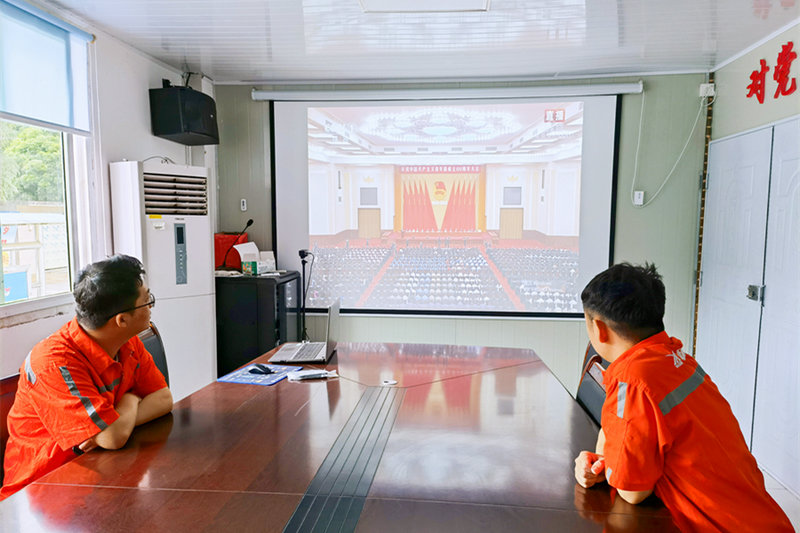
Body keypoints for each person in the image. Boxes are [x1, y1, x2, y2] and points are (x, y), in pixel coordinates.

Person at [573, 263, 792, 532]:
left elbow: (632, 491)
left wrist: (607, 467)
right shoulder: (676, 358)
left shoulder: (631, 380)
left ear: (599, 328)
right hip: (763, 520)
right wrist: (605, 461)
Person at [1, 255, 173, 500]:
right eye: (147, 301)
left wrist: (119, 418)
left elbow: (163, 399)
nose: (151, 307)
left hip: (101, 472)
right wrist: (131, 401)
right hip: (42, 491)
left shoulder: (127, 341)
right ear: (121, 320)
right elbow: (112, 438)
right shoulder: (53, 362)